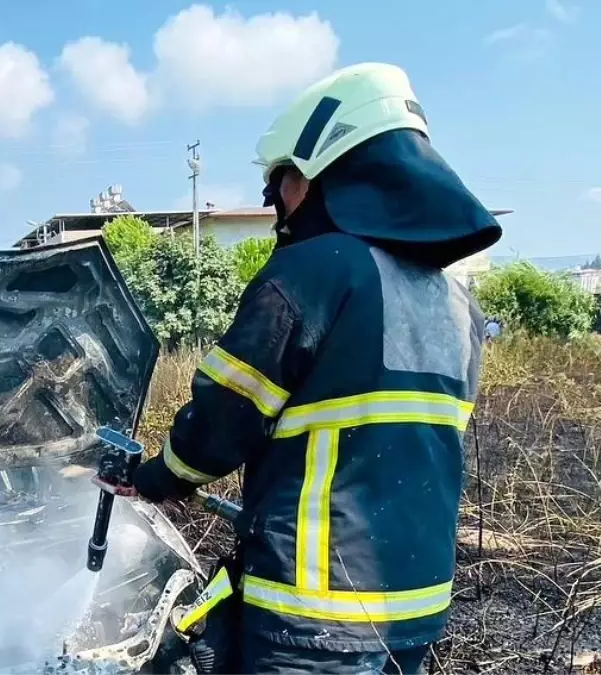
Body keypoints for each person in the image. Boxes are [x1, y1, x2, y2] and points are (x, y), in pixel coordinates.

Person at [126, 63, 501, 674]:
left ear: (323, 173)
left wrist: (157, 480)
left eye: (282, 185)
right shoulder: (457, 302)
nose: (276, 205)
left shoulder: (313, 272)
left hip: (313, 615)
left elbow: (224, 418)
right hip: (416, 609)